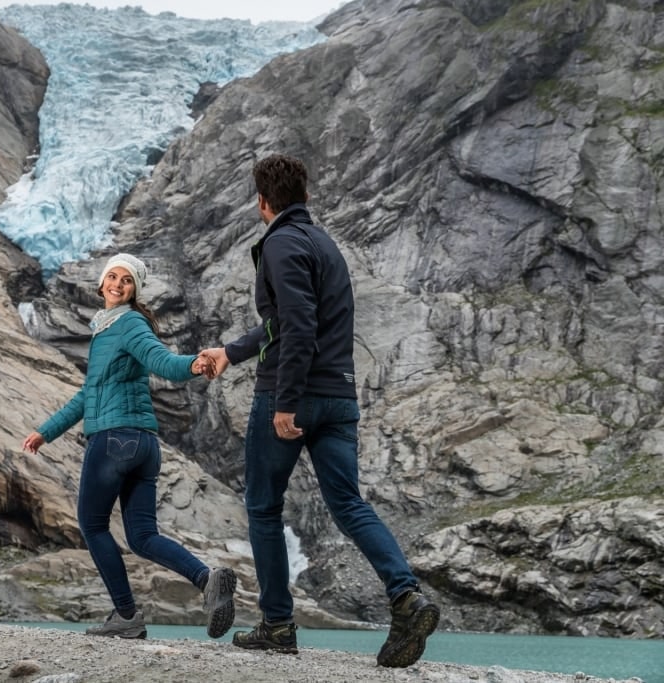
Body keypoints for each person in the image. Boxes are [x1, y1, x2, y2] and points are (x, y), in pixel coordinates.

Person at [199, 154, 440, 667]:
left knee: (263, 506)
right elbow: (285, 323)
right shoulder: (325, 244)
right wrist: (230, 351)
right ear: (305, 196)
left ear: (262, 202)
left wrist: (286, 403)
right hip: (339, 394)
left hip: (295, 394)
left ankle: (278, 625)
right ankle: (406, 597)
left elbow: (297, 325)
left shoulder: (280, 244)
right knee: (349, 503)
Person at [22, 253, 237, 641]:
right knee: (141, 536)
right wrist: (45, 432)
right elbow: (87, 395)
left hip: (114, 440)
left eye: (127, 280)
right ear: (102, 283)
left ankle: (126, 615)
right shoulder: (106, 331)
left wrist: (196, 364)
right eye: (113, 277)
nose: (118, 284)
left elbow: (163, 363)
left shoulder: (128, 323)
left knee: (92, 524)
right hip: (143, 445)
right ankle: (207, 581)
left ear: (134, 290)